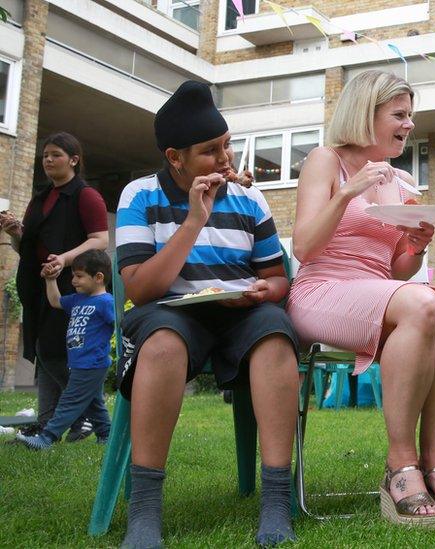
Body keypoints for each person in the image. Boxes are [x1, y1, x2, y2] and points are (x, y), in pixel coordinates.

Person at [286, 70, 435, 529]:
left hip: (376, 289)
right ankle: (399, 464)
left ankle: (434, 462)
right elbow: (305, 247)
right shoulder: (325, 161)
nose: (409, 125)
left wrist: (415, 245)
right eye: (399, 115)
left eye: (410, 115)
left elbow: (395, 271)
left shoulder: (395, 180)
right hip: (322, 289)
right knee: (423, 304)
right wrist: (348, 191)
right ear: (364, 114)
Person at [114, 81, 298, 547]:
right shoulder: (139, 196)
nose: (225, 159)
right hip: (167, 312)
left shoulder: (249, 200)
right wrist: (195, 219)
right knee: (161, 343)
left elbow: (278, 278)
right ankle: (145, 510)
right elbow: (140, 287)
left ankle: (276, 502)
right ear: (175, 157)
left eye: (227, 145)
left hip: (239, 312)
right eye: (210, 151)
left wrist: (262, 291)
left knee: (276, 335)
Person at [0, 132, 108, 442]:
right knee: (43, 352)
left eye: (56, 154)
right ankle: (49, 424)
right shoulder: (39, 198)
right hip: (38, 284)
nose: (48, 159)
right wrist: (16, 232)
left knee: (53, 352)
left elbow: (101, 240)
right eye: (45, 154)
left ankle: (88, 417)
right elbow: (27, 248)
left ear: (74, 160)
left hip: (71, 284)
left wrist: (65, 258)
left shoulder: (86, 196)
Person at [15, 249, 113, 450]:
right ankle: (107, 435)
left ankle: (46, 438)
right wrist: (51, 280)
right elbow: (55, 301)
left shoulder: (106, 303)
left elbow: (120, 324)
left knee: (69, 400)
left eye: (79, 276)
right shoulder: (78, 300)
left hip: (92, 363)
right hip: (79, 363)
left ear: (99, 277)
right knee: (93, 402)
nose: (74, 281)